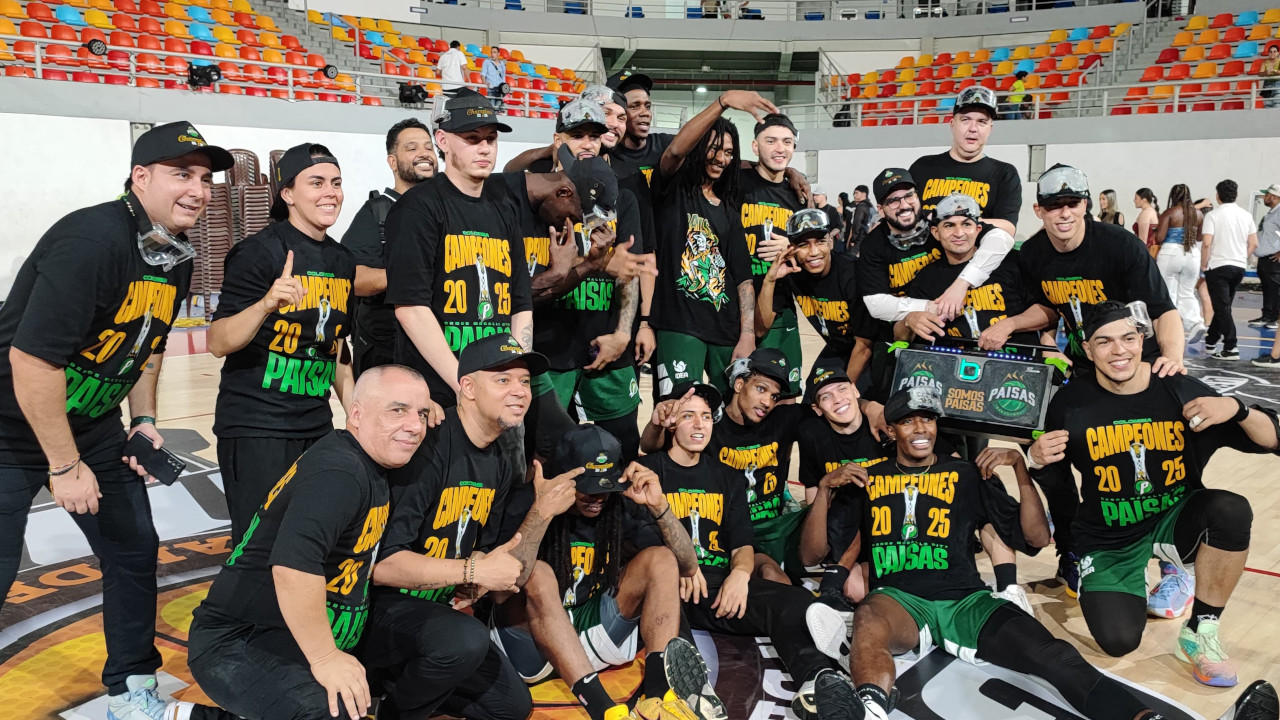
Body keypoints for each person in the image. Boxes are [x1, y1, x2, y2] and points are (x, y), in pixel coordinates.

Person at [812, 385, 1280, 720]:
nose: (920, 428)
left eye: (928, 419)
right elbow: (813, 552)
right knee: (869, 618)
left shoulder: (967, 473)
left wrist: (1021, 471)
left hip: (966, 600)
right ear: (890, 429)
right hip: (900, 599)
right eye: (908, 420)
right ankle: (868, 709)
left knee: (1055, 657)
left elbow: (1035, 538)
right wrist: (825, 491)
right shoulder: (866, 476)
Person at [0, 120, 229, 720]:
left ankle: (130, 689)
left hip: (94, 423)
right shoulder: (93, 239)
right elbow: (32, 361)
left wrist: (144, 418)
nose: (198, 190)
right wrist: (64, 465)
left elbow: (148, 346)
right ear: (140, 177)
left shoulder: (173, 252)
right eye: (182, 174)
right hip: (10, 424)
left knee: (133, 549)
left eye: (205, 179)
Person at [1027, 301, 1280, 686]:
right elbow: (1058, 486)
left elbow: (1272, 439)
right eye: (1104, 342)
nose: (1119, 350)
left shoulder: (1177, 388)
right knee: (1118, 641)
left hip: (1173, 521)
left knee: (1230, 510)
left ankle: (1200, 631)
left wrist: (1238, 408)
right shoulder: (1068, 403)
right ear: (1088, 350)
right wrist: (1035, 460)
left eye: (1128, 338)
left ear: (1142, 339)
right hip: (1109, 537)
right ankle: (1132, 579)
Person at [183, 366, 433, 720]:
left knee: (455, 643)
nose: (415, 425)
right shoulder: (340, 473)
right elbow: (293, 568)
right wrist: (326, 658)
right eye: (398, 410)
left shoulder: (371, 461)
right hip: (241, 639)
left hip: (311, 628)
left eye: (421, 413)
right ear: (356, 414)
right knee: (333, 712)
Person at [362, 335, 572, 720]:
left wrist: (538, 516)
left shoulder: (500, 460)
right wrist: (472, 571)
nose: (519, 391)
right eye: (503, 380)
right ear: (469, 388)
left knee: (511, 707)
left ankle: (393, 688)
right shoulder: (428, 444)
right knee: (466, 639)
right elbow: (383, 565)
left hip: (435, 614)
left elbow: (480, 552)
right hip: (377, 610)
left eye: (525, 382)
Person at [1018, 166, 1186, 593]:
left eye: (1072, 204)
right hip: (1083, 370)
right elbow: (1046, 310)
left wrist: (1172, 359)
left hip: (1136, 365)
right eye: (1054, 206)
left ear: (1086, 205)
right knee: (1050, 454)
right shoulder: (1033, 253)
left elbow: (1163, 309)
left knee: (1154, 466)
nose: (1064, 213)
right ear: (1039, 210)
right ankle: (1073, 549)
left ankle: (1175, 565)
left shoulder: (1119, 245)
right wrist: (1044, 342)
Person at [636, 381, 844, 718]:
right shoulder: (650, 472)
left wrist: (740, 576)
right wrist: (678, 568)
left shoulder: (727, 477)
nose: (700, 424)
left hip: (716, 587)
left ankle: (817, 681)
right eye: (689, 416)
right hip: (669, 586)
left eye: (706, 416)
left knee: (795, 599)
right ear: (672, 422)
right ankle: (690, 693)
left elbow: (742, 544)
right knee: (670, 620)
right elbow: (640, 543)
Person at [490, 424, 721, 720]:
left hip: (590, 631)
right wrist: (541, 513)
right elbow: (499, 594)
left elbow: (687, 565)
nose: (599, 497)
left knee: (661, 558)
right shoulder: (525, 501)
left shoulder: (617, 504)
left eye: (606, 487)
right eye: (589, 488)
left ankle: (658, 695)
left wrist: (659, 506)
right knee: (538, 573)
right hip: (531, 646)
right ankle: (604, 712)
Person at [208, 143, 354, 547]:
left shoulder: (342, 260)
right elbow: (218, 341)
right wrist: (266, 304)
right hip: (259, 428)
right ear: (287, 193)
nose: (330, 192)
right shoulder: (258, 252)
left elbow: (337, 349)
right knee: (258, 549)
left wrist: (354, 413)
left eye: (336, 182)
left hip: (316, 425)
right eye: (316, 183)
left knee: (309, 543)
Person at [385, 88, 532, 407]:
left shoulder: (504, 208)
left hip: (495, 385)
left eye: (491, 139)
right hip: (439, 394)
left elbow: (521, 303)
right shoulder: (417, 208)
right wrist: (463, 385)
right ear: (442, 140)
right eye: (471, 138)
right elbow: (411, 308)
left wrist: (515, 373)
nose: (484, 148)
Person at [649, 89, 777, 397]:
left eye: (729, 152)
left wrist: (747, 335)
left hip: (726, 330)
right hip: (679, 326)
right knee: (678, 408)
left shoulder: (728, 210)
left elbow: (743, 279)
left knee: (731, 410)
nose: (722, 159)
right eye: (715, 149)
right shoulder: (673, 190)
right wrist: (723, 102)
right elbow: (675, 152)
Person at [855, 168, 1015, 401]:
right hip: (898, 330)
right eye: (893, 200)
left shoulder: (943, 221)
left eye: (909, 195)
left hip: (953, 329)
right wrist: (933, 307)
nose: (904, 205)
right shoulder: (873, 245)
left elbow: (1001, 238)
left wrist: (961, 284)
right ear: (880, 209)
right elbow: (876, 304)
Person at [896, 193, 1054, 350]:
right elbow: (899, 335)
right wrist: (909, 321)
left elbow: (1050, 313)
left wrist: (1010, 324)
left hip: (1016, 362)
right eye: (949, 225)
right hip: (951, 363)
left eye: (966, 224)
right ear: (936, 232)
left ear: (978, 229)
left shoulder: (1011, 262)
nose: (959, 233)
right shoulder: (927, 277)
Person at [345, 119, 436, 379]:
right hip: (386, 351)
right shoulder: (377, 212)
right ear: (393, 162)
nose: (424, 153)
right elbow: (352, 278)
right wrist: (411, 276)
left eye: (429, 147)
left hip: (438, 345)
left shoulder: (447, 208)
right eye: (412, 148)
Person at [757, 207, 872, 378]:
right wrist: (770, 281)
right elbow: (760, 329)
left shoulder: (852, 273)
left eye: (820, 242)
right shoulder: (792, 272)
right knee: (813, 394)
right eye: (803, 245)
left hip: (872, 352)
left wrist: (845, 387)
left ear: (830, 242)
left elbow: (865, 345)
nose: (814, 252)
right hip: (837, 350)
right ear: (792, 248)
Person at [738, 113, 807, 398]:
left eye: (787, 142)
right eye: (771, 141)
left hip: (779, 308)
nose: (780, 148)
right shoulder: (735, 181)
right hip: (733, 308)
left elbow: (817, 252)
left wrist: (793, 247)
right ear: (755, 146)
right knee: (736, 396)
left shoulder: (798, 196)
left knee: (784, 398)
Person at [909, 86, 1021, 236]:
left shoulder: (1004, 173)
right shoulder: (922, 166)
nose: (973, 128)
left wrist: (952, 219)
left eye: (982, 121)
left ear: (990, 129)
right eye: (965, 120)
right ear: (952, 124)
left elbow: (1008, 228)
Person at [1201, 179, 1258, 361]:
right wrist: (1242, 257)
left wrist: (1204, 264)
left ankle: (1231, 346)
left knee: (1222, 307)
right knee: (1223, 306)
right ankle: (1211, 340)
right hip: (1239, 266)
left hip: (1218, 266)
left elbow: (1207, 242)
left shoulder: (1213, 216)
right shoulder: (1246, 215)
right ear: (1236, 195)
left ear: (1217, 196)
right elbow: (1254, 243)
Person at [1155, 183, 1206, 342]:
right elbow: (1199, 237)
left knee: (1168, 292)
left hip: (1171, 252)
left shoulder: (1170, 212)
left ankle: (1171, 327)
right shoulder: (1198, 214)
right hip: (1192, 254)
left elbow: (1159, 237)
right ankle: (1196, 323)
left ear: (1173, 196)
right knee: (1187, 292)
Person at [1248, 183, 1280, 333]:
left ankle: (1274, 318)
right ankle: (1267, 316)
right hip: (1265, 259)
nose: (1264, 197)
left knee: (1275, 290)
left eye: (1266, 195)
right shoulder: (1272, 213)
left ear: (1273, 197)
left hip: (1273, 259)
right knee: (1267, 289)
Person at [846, 184, 876, 255]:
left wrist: (853, 240)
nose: (854, 195)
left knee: (853, 259)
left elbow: (857, 224)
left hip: (859, 240)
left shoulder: (861, 206)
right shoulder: (871, 206)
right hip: (869, 239)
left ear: (864, 194)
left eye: (856, 193)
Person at [1133, 187, 1160, 252]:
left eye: (1136, 198)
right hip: (1150, 250)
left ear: (1144, 200)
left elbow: (1143, 240)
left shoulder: (1146, 213)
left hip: (1146, 251)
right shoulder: (1152, 211)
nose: (1134, 200)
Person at [482, 46, 506, 110]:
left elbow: (503, 77)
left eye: (494, 52)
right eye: (492, 52)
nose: (493, 54)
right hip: (491, 89)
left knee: (499, 108)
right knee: (492, 108)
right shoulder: (487, 62)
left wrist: (504, 88)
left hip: (499, 90)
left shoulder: (502, 64)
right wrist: (485, 82)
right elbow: (483, 74)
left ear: (498, 54)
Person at [1260, 44, 1280, 109]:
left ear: (1278, 53)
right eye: (1270, 52)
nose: (1272, 53)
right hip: (1267, 86)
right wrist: (1266, 73)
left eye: (1274, 51)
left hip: (1278, 86)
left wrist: (1274, 71)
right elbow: (1260, 73)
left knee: (1277, 105)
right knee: (1267, 108)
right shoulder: (1265, 62)